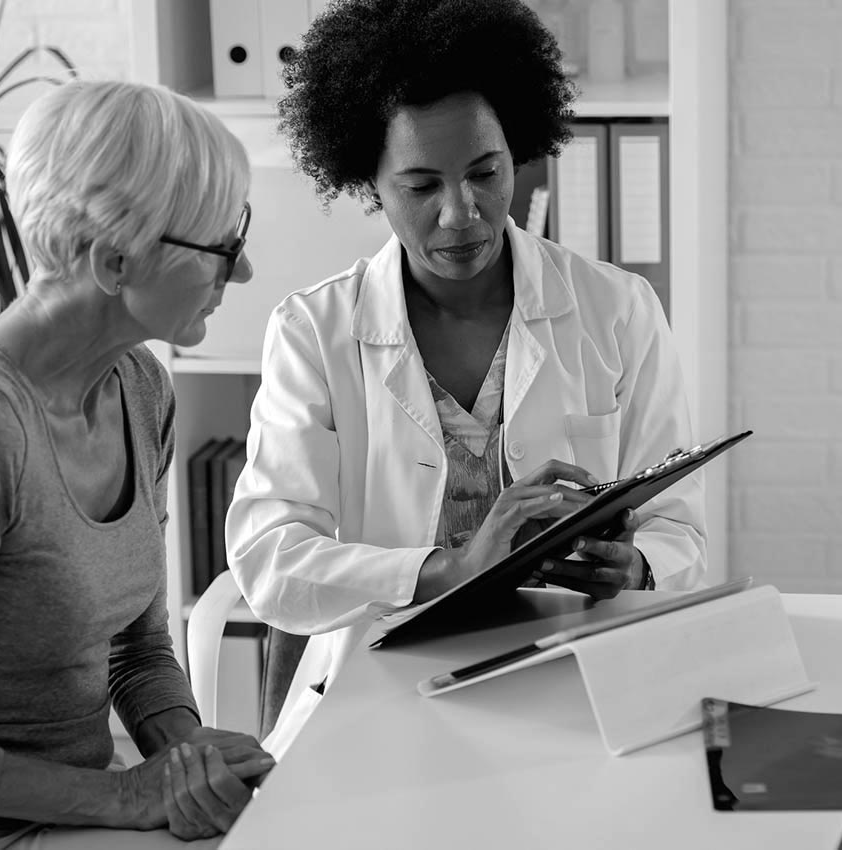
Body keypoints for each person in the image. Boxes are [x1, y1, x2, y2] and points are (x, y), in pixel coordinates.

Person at [226, 0, 706, 753]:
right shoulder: (313, 333)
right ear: (368, 182)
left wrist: (638, 565)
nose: (462, 215)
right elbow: (270, 560)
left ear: (519, 149)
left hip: (579, 689)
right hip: (379, 701)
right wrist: (452, 568)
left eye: (485, 173)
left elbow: (681, 528)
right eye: (421, 186)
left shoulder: (618, 310)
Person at [0, 80, 273, 848]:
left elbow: (137, 649)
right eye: (222, 247)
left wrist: (183, 757)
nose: (239, 274)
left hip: (67, 809)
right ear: (114, 262)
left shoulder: (139, 387)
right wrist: (121, 799)